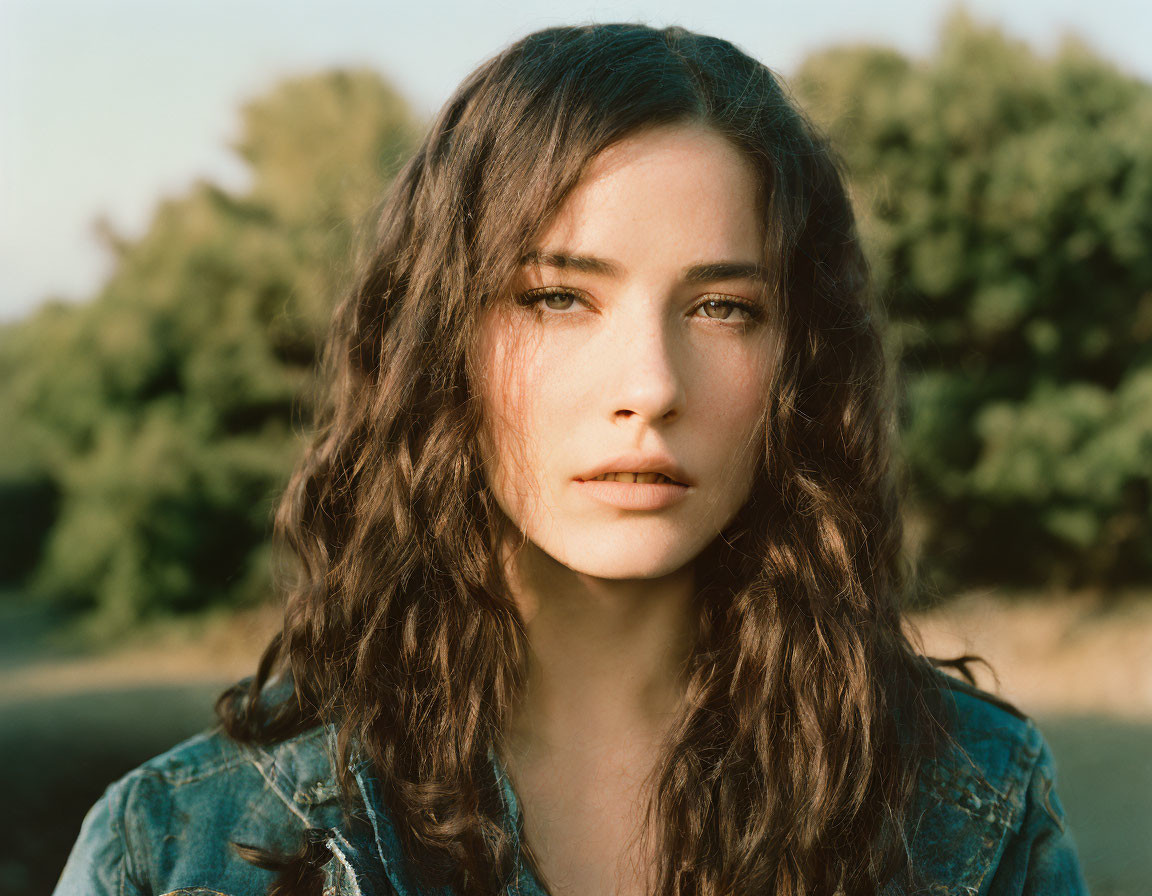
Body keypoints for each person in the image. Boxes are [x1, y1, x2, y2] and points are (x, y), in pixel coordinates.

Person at [53, 22, 1089, 896]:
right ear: (437, 341)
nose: (650, 383)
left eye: (723, 306)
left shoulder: (969, 810)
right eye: (557, 297)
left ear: (800, 362)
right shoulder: (174, 850)